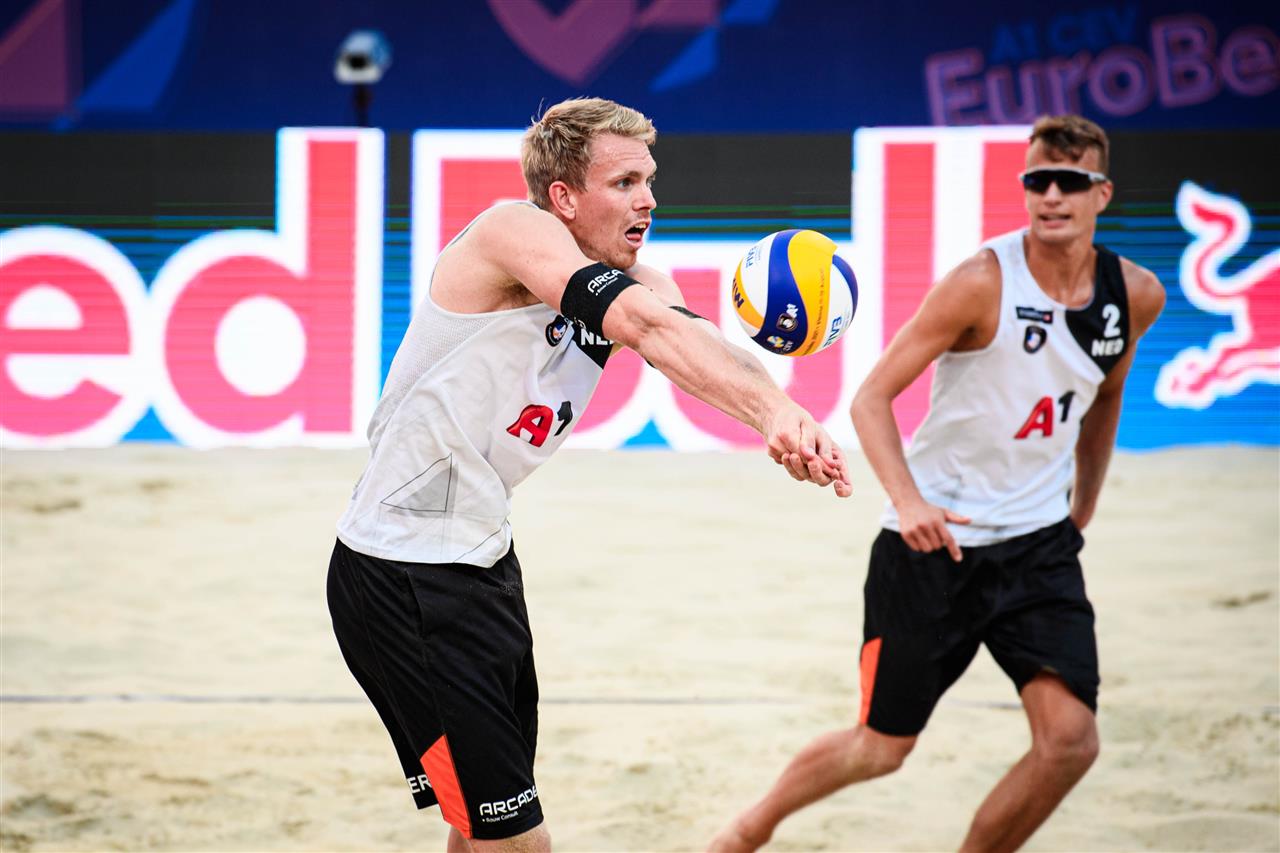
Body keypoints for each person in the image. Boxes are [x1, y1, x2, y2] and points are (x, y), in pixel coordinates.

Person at [326, 97, 852, 853]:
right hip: (401, 575)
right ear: (564, 197)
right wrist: (769, 411)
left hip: (484, 562)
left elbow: (690, 342)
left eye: (650, 181)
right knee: (518, 839)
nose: (648, 200)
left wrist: (782, 413)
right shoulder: (510, 232)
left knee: (480, 824)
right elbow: (640, 324)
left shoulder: (638, 279)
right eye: (625, 182)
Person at [710, 114, 1165, 852]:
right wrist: (909, 502)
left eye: (1069, 181)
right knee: (881, 747)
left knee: (1071, 742)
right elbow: (869, 399)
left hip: (1038, 547)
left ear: (1101, 193)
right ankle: (746, 830)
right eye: (1038, 181)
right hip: (931, 547)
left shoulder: (1135, 294)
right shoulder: (981, 282)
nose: (1051, 196)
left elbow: (1105, 395)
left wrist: (1082, 507)